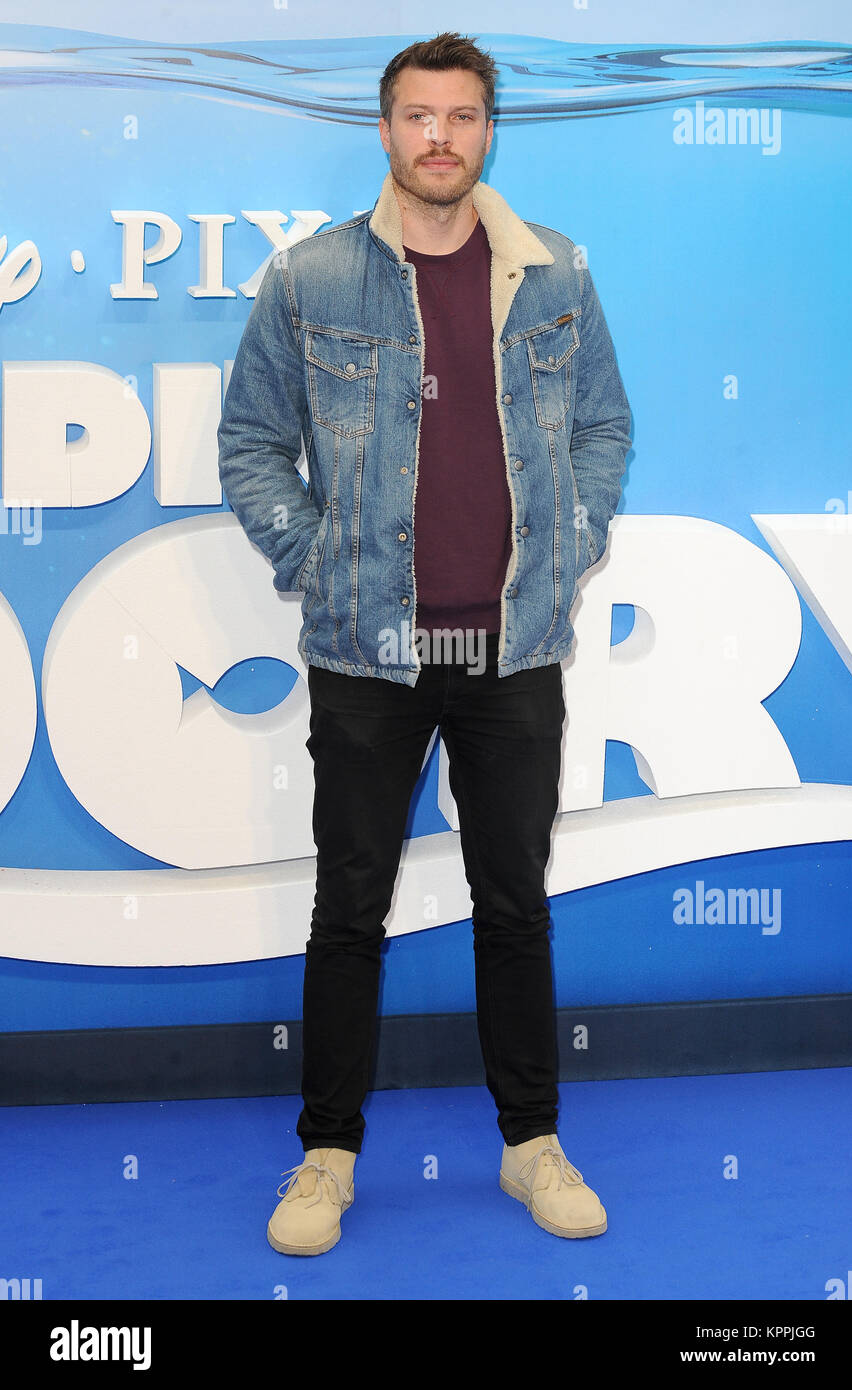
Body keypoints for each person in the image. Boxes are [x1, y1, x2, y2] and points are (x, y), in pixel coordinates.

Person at [217, 31, 631, 1257]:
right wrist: (314, 553)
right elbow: (249, 445)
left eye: (460, 115)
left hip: (512, 652)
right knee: (349, 910)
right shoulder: (308, 281)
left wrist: (573, 529)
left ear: (488, 130)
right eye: (416, 115)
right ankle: (325, 1158)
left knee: (514, 907)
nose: (438, 137)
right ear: (385, 130)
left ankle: (531, 1145)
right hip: (367, 651)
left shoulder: (557, 277)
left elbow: (603, 427)